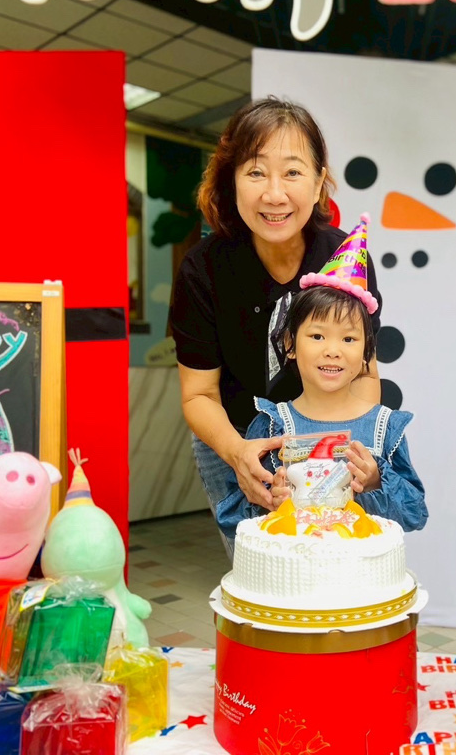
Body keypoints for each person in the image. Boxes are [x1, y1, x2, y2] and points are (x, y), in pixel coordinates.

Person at [170, 97, 383, 558]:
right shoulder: (202, 270)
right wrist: (237, 453)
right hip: (232, 436)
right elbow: (198, 394)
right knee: (260, 570)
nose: (274, 194)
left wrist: (357, 447)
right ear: (231, 180)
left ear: (319, 180)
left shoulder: (345, 257)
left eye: (292, 172)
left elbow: (364, 373)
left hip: (328, 440)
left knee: (332, 563)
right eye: (255, 172)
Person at [214, 215, 427, 544]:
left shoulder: (385, 428)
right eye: (317, 336)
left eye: (349, 339)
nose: (333, 351)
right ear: (290, 344)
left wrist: (376, 481)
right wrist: (269, 501)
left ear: (367, 351)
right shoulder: (272, 426)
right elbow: (231, 518)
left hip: (359, 575)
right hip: (291, 574)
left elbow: (414, 515)